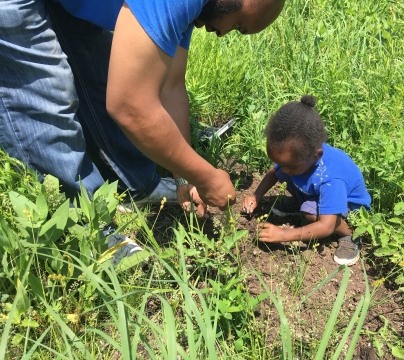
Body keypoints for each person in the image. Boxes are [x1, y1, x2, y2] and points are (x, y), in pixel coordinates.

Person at [0, 0, 285, 263]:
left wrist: (185, 176)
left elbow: (171, 87)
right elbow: (130, 106)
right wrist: (206, 176)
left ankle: (133, 185)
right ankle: (80, 224)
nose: (223, 34)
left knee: (101, 70)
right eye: (237, 26)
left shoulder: (196, 8)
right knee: (47, 92)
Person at [242, 95, 371, 266]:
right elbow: (274, 172)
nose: (284, 169)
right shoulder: (299, 159)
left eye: (290, 166)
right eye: (282, 164)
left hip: (349, 209)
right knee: (291, 176)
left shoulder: (331, 178)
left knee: (309, 212)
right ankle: (301, 203)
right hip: (319, 192)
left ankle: (349, 234)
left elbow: (325, 226)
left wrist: (283, 234)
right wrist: (256, 196)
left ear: (317, 154)